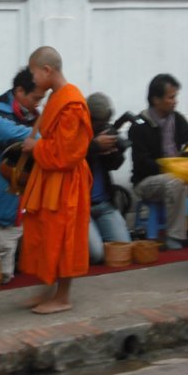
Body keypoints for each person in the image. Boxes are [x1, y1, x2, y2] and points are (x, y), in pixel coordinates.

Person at [18, 46, 93, 314]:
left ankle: (63, 297)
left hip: (66, 179)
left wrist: (35, 148)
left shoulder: (71, 102)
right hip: (50, 177)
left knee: (63, 235)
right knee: (45, 232)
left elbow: (68, 153)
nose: (32, 79)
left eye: (33, 73)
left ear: (47, 70)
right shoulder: (56, 97)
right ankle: (47, 288)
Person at [0, 67, 45, 284]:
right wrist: (44, 139)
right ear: (20, 91)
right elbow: (11, 134)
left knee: (3, 274)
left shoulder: (34, 115)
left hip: (15, 196)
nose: (38, 103)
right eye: (35, 98)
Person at [128, 74, 188, 249]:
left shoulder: (177, 119)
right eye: (171, 97)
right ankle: (175, 238)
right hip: (147, 181)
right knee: (175, 182)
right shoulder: (139, 126)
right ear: (156, 100)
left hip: (176, 176)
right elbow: (142, 163)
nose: (175, 101)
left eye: (175, 96)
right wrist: (172, 168)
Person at [85, 93, 132, 263]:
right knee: (97, 255)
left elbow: (115, 165)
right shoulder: (75, 134)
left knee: (124, 248)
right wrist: (93, 146)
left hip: (105, 204)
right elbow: (70, 158)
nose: (102, 126)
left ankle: (94, 237)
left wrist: (113, 151)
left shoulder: (105, 132)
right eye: (98, 122)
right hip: (81, 208)